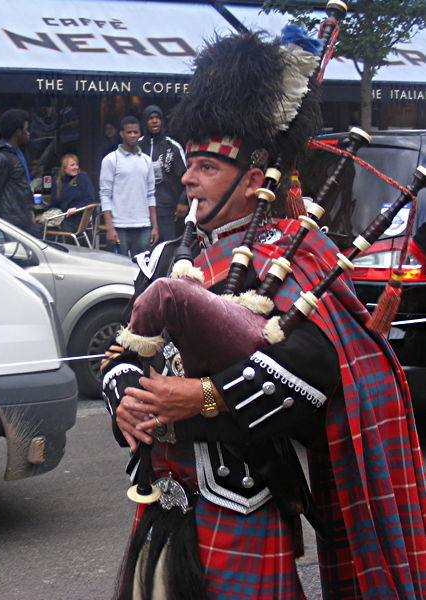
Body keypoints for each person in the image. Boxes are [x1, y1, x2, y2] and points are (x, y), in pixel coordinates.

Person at [102, 30, 426, 600]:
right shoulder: (160, 261)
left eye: (205, 167)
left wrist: (200, 398)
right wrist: (126, 401)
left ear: (255, 181)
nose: (188, 178)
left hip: (242, 496)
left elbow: (312, 372)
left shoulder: (297, 257)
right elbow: (122, 353)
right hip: (161, 493)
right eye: (190, 164)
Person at [99, 115, 158, 259]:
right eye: (129, 132)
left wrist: (154, 226)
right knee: (118, 269)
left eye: (135, 132)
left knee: (143, 269)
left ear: (140, 134)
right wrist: (109, 227)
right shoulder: (110, 160)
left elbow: (151, 195)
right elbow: (105, 195)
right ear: (122, 134)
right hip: (119, 226)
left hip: (143, 225)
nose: (132, 135)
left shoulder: (147, 161)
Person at [0, 108, 39, 235]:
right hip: (9, 225)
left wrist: (29, 210)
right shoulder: (1, 158)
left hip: (21, 222)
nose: (29, 133)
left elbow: (20, 186)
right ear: (18, 132)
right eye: (26, 129)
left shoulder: (16, 153)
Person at [140, 105, 188, 241]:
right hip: (142, 210)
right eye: (150, 118)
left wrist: (183, 202)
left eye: (157, 118)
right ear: (145, 121)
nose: (155, 121)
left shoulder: (172, 146)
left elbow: (185, 176)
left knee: (166, 249)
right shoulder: (137, 147)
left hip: (167, 209)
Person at [48, 153, 96, 232]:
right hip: (61, 216)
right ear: (64, 168)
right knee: (38, 228)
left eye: (77, 165)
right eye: (72, 165)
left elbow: (90, 200)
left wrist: (76, 208)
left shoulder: (82, 178)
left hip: (77, 218)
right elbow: (54, 203)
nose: (76, 167)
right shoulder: (58, 181)